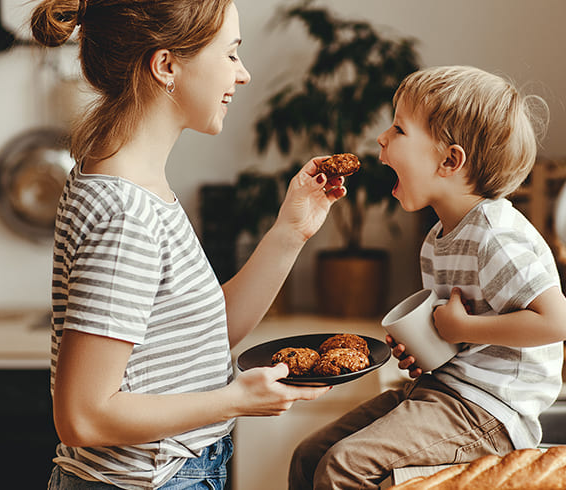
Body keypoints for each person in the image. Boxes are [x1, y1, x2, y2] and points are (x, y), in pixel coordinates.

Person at [30, 1, 348, 489]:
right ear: (166, 66)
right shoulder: (126, 213)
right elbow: (83, 417)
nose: (242, 75)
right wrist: (235, 400)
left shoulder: (137, 186)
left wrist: (291, 231)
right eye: (231, 54)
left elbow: (201, 341)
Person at [289, 65, 566, 489]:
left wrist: (462, 326)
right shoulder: (439, 238)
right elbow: (457, 340)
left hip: (489, 413)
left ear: (449, 161)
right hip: (444, 392)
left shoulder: (496, 236)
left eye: (399, 129)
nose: (382, 138)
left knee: (344, 466)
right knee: (309, 456)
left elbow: (555, 321)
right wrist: (426, 349)